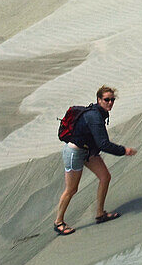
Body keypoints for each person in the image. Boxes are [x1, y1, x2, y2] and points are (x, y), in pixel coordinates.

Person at [54, 85, 136, 236]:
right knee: (71, 189)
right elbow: (103, 144)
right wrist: (124, 151)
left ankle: (100, 214)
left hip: (87, 151)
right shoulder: (95, 116)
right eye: (106, 100)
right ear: (99, 100)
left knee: (105, 177)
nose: (110, 103)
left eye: (112, 100)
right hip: (74, 152)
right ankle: (58, 222)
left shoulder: (100, 113)